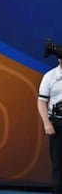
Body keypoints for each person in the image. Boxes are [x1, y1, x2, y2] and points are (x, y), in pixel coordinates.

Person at [37, 59, 62, 194]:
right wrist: (47, 123)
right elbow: (41, 102)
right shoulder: (50, 76)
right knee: (58, 161)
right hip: (57, 123)